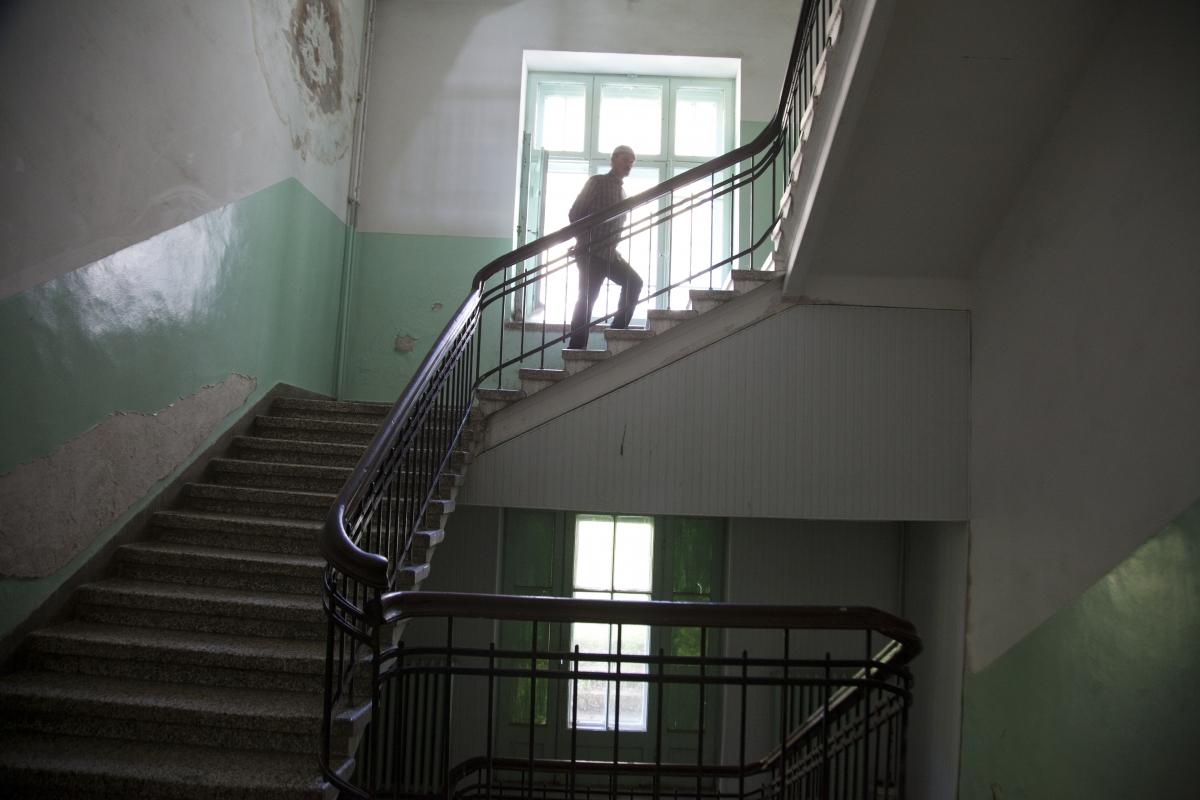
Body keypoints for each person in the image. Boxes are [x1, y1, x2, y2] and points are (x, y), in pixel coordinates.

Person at [565, 144, 644, 350]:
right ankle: (576, 347)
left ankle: (617, 331)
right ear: (614, 159)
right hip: (591, 253)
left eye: (632, 162)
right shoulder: (597, 182)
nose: (630, 165)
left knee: (634, 282)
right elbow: (575, 214)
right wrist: (583, 243)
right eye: (626, 159)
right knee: (587, 299)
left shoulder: (622, 191)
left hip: (609, 254)